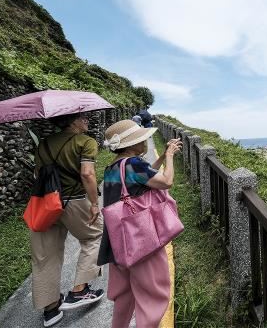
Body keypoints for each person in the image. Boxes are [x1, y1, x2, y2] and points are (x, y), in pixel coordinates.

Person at [97, 119, 182, 328]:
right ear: (132, 144)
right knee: (153, 295)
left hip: (118, 242)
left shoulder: (113, 167)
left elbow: (142, 179)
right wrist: (169, 156)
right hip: (141, 239)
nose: (145, 141)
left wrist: (160, 156)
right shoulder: (134, 164)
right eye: (141, 138)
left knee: (124, 296)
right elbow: (166, 181)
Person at [32, 112, 104, 327]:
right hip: (75, 200)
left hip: (45, 203)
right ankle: (80, 290)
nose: (87, 120)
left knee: (45, 255)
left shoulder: (43, 144)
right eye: (83, 117)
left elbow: (38, 174)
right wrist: (94, 203)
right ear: (73, 121)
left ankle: (51, 310)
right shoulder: (86, 142)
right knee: (95, 237)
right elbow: (87, 174)